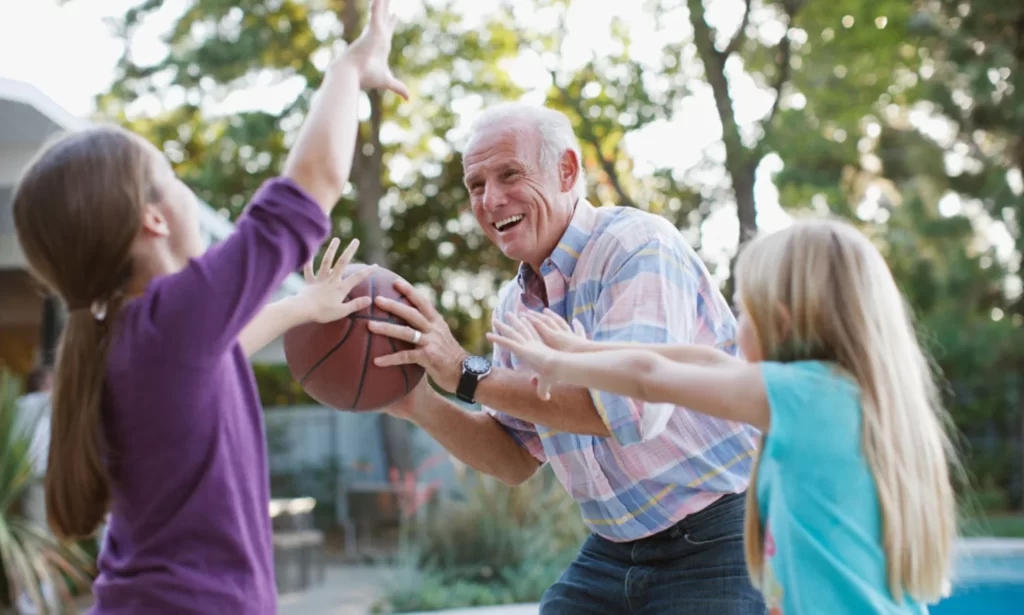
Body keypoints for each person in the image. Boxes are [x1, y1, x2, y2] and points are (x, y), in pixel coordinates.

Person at [10, 1, 407, 612]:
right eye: (172, 175)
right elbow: (313, 185)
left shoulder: (124, 335)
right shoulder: (170, 314)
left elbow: (223, 352)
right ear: (153, 216)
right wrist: (348, 69)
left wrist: (304, 308)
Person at [367, 102, 766, 613]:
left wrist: (464, 372)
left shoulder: (637, 247)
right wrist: (415, 401)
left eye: (509, 174)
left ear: (567, 170)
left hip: (720, 534)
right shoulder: (515, 305)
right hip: (614, 549)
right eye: (476, 185)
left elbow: (632, 411)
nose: (491, 199)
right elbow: (513, 457)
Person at [488, 218, 959, 614]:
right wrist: (587, 348)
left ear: (781, 322)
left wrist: (562, 364)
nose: (735, 327)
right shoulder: (834, 397)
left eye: (742, 311)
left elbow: (653, 376)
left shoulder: (803, 397)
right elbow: (702, 360)